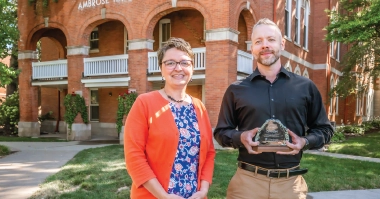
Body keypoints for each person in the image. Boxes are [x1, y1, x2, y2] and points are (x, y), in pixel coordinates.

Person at [214, 18, 334, 199]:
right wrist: (241, 137)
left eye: (271, 39)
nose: (265, 45)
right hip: (247, 183)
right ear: (252, 47)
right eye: (258, 41)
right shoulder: (236, 90)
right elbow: (221, 132)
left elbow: (325, 129)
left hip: (290, 185)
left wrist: (304, 141)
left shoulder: (305, 87)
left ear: (282, 44)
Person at [124, 37, 216, 199]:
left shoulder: (199, 107)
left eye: (184, 62)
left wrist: (203, 190)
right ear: (161, 69)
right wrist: (163, 196)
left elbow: (209, 152)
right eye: (170, 63)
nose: (178, 68)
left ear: (192, 68)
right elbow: (134, 156)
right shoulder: (144, 103)